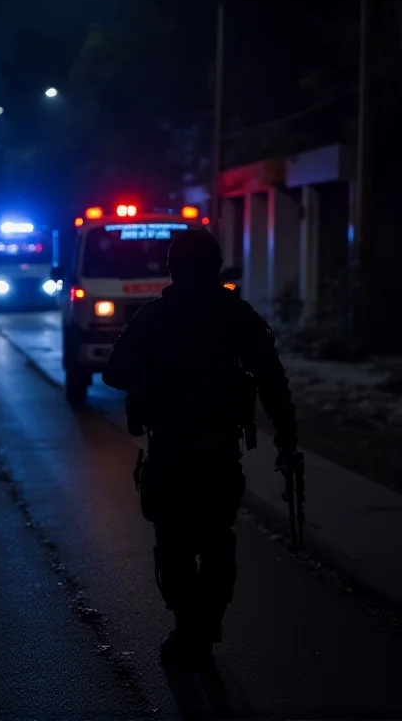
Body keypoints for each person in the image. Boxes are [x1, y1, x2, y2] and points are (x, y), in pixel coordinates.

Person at [102, 229, 296, 668]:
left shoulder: (154, 317)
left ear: (172, 268)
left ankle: (189, 625)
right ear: (216, 268)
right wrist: (286, 433)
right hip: (218, 448)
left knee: (173, 542)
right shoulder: (236, 314)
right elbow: (271, 377)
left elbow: (114, 373)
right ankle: (206, 624)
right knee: (215, 538)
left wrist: (154, 381)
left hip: (171, 447)